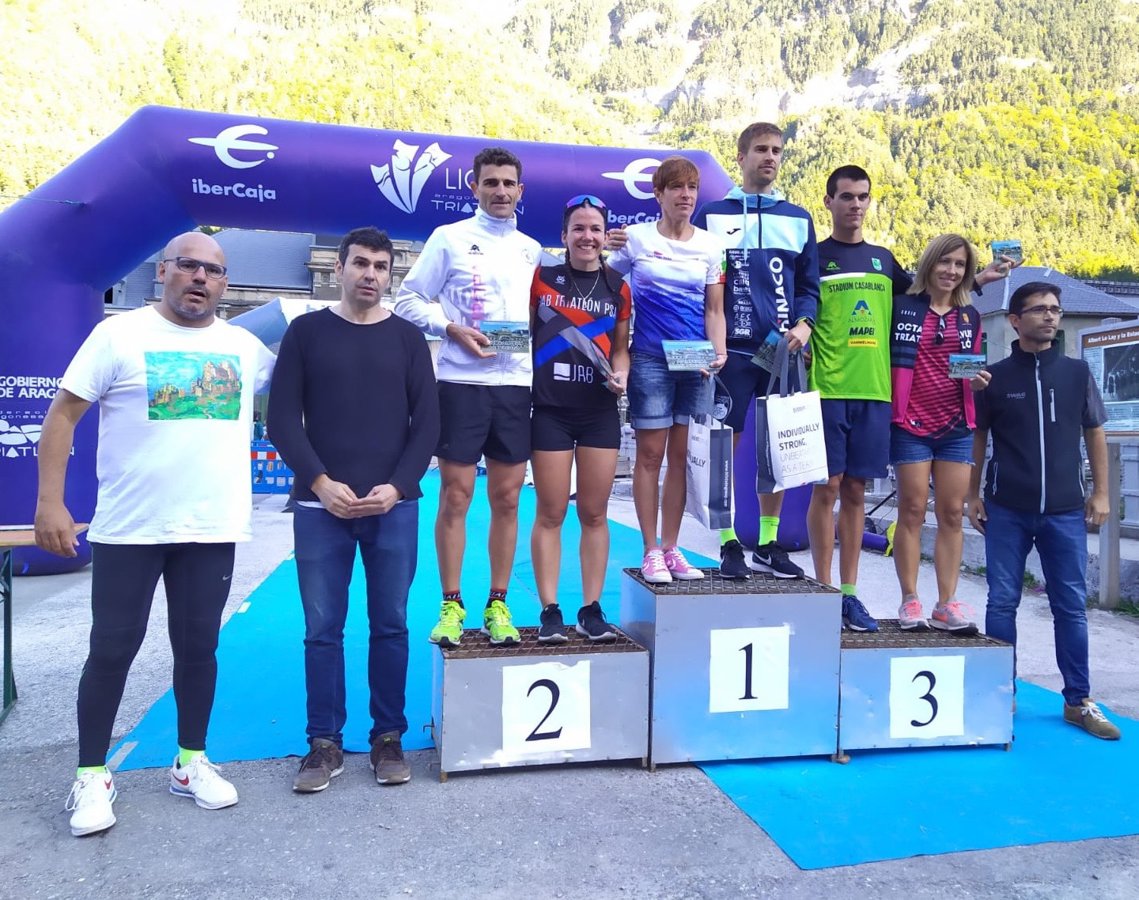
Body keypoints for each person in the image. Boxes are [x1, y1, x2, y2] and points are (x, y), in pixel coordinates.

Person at [34, 232, 275, 837]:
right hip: (130, 528)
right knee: (112, 649)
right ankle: (92, 774)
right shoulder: (118, 335)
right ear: (163, 272)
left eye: (214, 271)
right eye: (189, 266)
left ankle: (190, 763)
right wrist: (49, 503)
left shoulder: (243, 347)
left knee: (199, 649)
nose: (201, 278)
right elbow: (62, 415)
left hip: (211, 526)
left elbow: (317, 379)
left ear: (224, 283)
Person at [268, 227, 440, 793]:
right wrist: (319, 483)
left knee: (391, 624)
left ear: (390, 275)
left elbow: (427, 424)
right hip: (322, 507)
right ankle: (324, 742)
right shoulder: (306, 333)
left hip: (393, 507)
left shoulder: (408, 340)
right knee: (322, 629)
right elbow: (282, 419)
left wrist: (399, 486)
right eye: (361, 263)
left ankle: (388, 736)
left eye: (381, 266)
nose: (371, 274)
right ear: (339, 268)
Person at [394, 147, 541, 647]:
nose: (500, 191)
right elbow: (408, 299)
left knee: (507, 498)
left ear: (520, 190)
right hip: (460, 384)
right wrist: (449, 328)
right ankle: (451, 604)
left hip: (515, 385)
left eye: (508, 183)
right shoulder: (449, 238)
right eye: (491, 182)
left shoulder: (532, 250)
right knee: (456, 495)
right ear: (474, 187)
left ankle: (498, 603)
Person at [968, 282, 1120, 739]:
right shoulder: (993, 378)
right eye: (1039, 310)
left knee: (1070, 606)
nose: (1050, 316)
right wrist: (972, 494)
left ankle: (1078, 700)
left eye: (1055, 309)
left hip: (1065, 510)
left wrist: (1101, 493)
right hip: (1006, 508)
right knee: (1001, 601)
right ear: (1015, 320)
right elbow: (978, 437)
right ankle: (1001, 693)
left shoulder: (1077, 373)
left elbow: (1095, 432)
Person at [693, 122, 818, 580]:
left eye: (777, 150)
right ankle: (728, 540)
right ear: (741, 156)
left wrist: (805, 324)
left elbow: (809, 286)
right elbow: (697, 280)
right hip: (730, 353)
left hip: (781, 351)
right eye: (761, 149)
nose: (770, 157)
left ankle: (768, 543)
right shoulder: (711, 215)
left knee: (778, 448)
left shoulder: (798, 217)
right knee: (723, 448)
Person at [607, 155, 727, 584]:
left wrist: (719, 350)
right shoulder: (637, 239)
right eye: (676, 187)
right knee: (649, 456)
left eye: (691, 188)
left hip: (695, 363)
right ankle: (649, 551)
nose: (686, 195)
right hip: (650, 360)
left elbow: (714, 309)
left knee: (681, 459)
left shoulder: (711, 246)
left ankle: (672, 548)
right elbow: (605, 285)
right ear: (658, 194)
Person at [529, 195, 631, 642]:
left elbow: (621, 348)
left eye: (595, 229)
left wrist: (622, 374)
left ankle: (591, 609)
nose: (587, 237)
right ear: (564, 235)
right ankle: (549, 610)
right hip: (550, 410)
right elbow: (524, 332)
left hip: (598, 412)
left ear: (605, 236)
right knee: (551, 512)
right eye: (579, 228)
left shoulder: (618, 286)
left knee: (594, 513)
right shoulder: (542, 278)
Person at [889, 234, 983, 633]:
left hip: (956, 426)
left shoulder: (970, 316)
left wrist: (977, 381)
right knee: (911, 510)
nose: (952, 270)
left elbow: (972, 365)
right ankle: (910, 600)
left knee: (951, 514)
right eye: (945, 261)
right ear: (930, 262)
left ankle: (946, 604)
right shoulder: (902, 306)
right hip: (910, 424)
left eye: (960, 265)